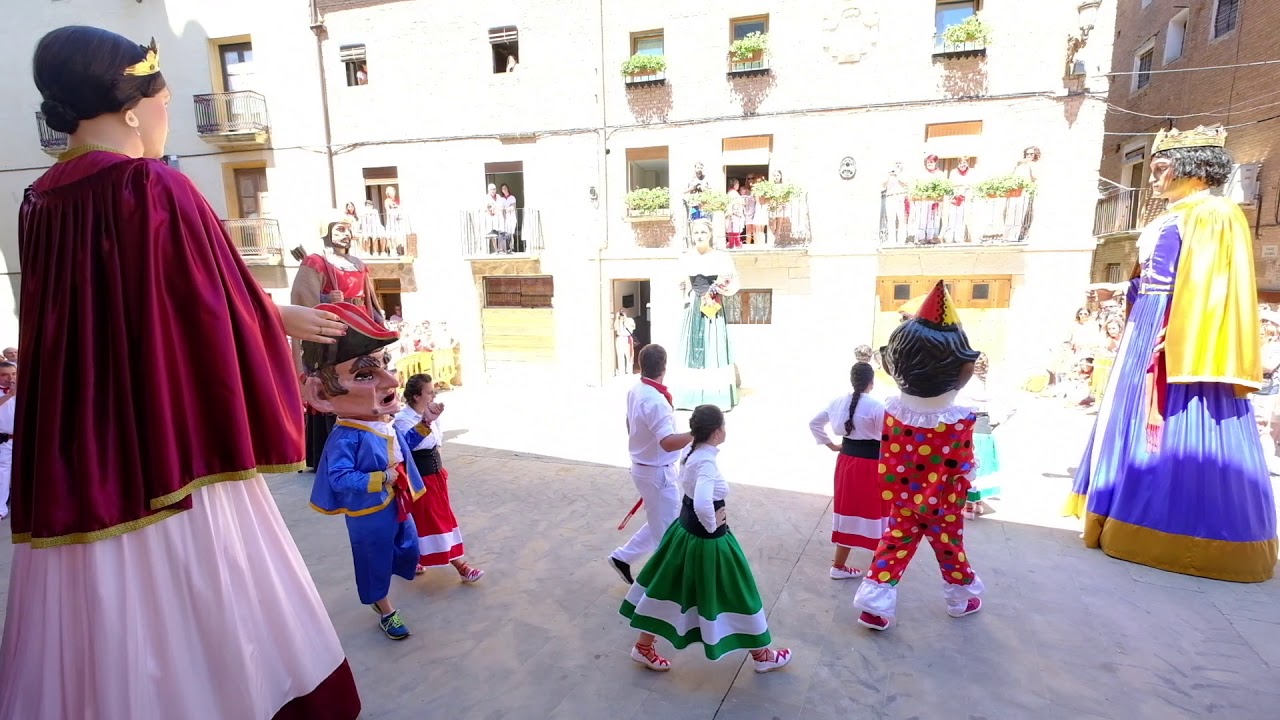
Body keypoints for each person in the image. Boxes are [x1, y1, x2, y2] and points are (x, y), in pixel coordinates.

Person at [2, 27, 360, 719]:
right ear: (135, 108)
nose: (166, 111)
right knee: (210, 589)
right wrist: (283, 342)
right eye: (162, 98)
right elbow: (202, 304)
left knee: (94, 611)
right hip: (158, 433)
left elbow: (137, 301)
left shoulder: (39, 197)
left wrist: (269, 312)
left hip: (74, 445)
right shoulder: (151, 183)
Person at [1066, 125, 1277, 582]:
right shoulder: (1173, 215)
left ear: (1192, 169)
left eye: (1160, 169)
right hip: (1147, 321)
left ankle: (1180, 533)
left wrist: (1174, 329)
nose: (1153, 178)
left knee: (1171, 416)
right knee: (1126, 416)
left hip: (1177, 329)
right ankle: (1117, 513)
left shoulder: (1214, 213)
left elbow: (1212, 287)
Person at [620, 404, 792, 673]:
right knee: (739, 590)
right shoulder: (706, 461)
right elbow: (702, 502)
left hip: (684, 532)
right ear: (716, 432)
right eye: (723, 426)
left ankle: (643, 646)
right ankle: (762, 655)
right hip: (707, 538)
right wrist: (714, 526)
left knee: (666, 586)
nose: (725, 430)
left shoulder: (691, 450)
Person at [854, 280, 983, 631]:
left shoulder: (894, 410)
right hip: (943, 502)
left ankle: (874, 606)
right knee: (950, 549)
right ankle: (960, 598)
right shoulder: (960, 420)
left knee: (893, 547)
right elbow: (962, 465)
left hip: (903, 497)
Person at [303, 302, 425, 640]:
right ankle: (385, 608)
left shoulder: (384, 423)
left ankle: (390, 580)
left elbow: (405, 447)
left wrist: (426, 424)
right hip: (368, 511)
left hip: (396, 504)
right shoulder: (347, 436)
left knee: (407, 546)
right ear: (322, 395)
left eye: (386, 365)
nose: (391, 380)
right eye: (364, 375)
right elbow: (339, 477)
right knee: (373, 561)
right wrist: (382, 478)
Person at [292, 213, 384, 470]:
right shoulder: (316, 262)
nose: (345, 233)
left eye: (348, 229)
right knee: (335, 382)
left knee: (363, 378)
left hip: (359, 327)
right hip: (332, 329)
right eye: (339, 229)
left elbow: (369, 298)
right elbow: (303, 302)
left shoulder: (357, 263)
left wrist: (378, 323)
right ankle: (329, 451)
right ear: (327, 232)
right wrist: (327, 298)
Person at [608, 344, 693, 585]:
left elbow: (629, 422)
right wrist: (695, 434)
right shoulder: (656, 401)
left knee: (662, 520)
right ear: (664, 368)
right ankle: (660, 588)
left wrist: (640, 446)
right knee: (666, 534)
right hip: (656, 472)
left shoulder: (636, 390)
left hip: (646, 468)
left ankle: (622, 557)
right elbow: (667, 443)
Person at [393, 373, 484, 582]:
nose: (434, 395)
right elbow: (407, 445)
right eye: (429, 392)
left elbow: (437, 444)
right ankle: (462, 567)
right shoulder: (402, 419)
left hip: (435, 475)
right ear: (416, 397)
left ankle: (415, 557)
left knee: (430, 520)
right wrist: (425, 421)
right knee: (434, 521)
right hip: (418, 480)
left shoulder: (433, 415)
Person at [809, 361, 886, 578]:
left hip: (847, 462)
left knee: (848, 509)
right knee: (878, 511)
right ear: (871, 382)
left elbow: (814, 423)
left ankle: (839, 566)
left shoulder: (837, 402)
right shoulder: (876, 406)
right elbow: (889, 438)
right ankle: (878, 571)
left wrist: (831, 445)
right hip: (872, 465)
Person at [673, 219, 740, 411]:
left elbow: (731, 282)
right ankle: (690, 398)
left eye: (703, 232)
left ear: (710, 234)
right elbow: (683, 284)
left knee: (713, 347)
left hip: (713, 305)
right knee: (692, 349)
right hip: (694, 306)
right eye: (696, 233)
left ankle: (715, 398)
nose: (699, 236)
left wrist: (718, 289)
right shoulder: (686, 257)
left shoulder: (721, 257)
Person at [955, 352, 1011, 518]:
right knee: (983, 467)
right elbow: (1010, 406)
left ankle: (969, 506)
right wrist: (998, 421)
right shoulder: (990, 384)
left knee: (970, 466)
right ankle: (978, 503)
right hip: (985, 428)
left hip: (969, 427)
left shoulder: (965, 383)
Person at [0, 362, 13, 521]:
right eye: (5, 374)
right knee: (3, 474)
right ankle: (1, 508)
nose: (11, 378)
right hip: (4, 440)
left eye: (14, 373)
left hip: (24, 438)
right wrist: (10, 395)